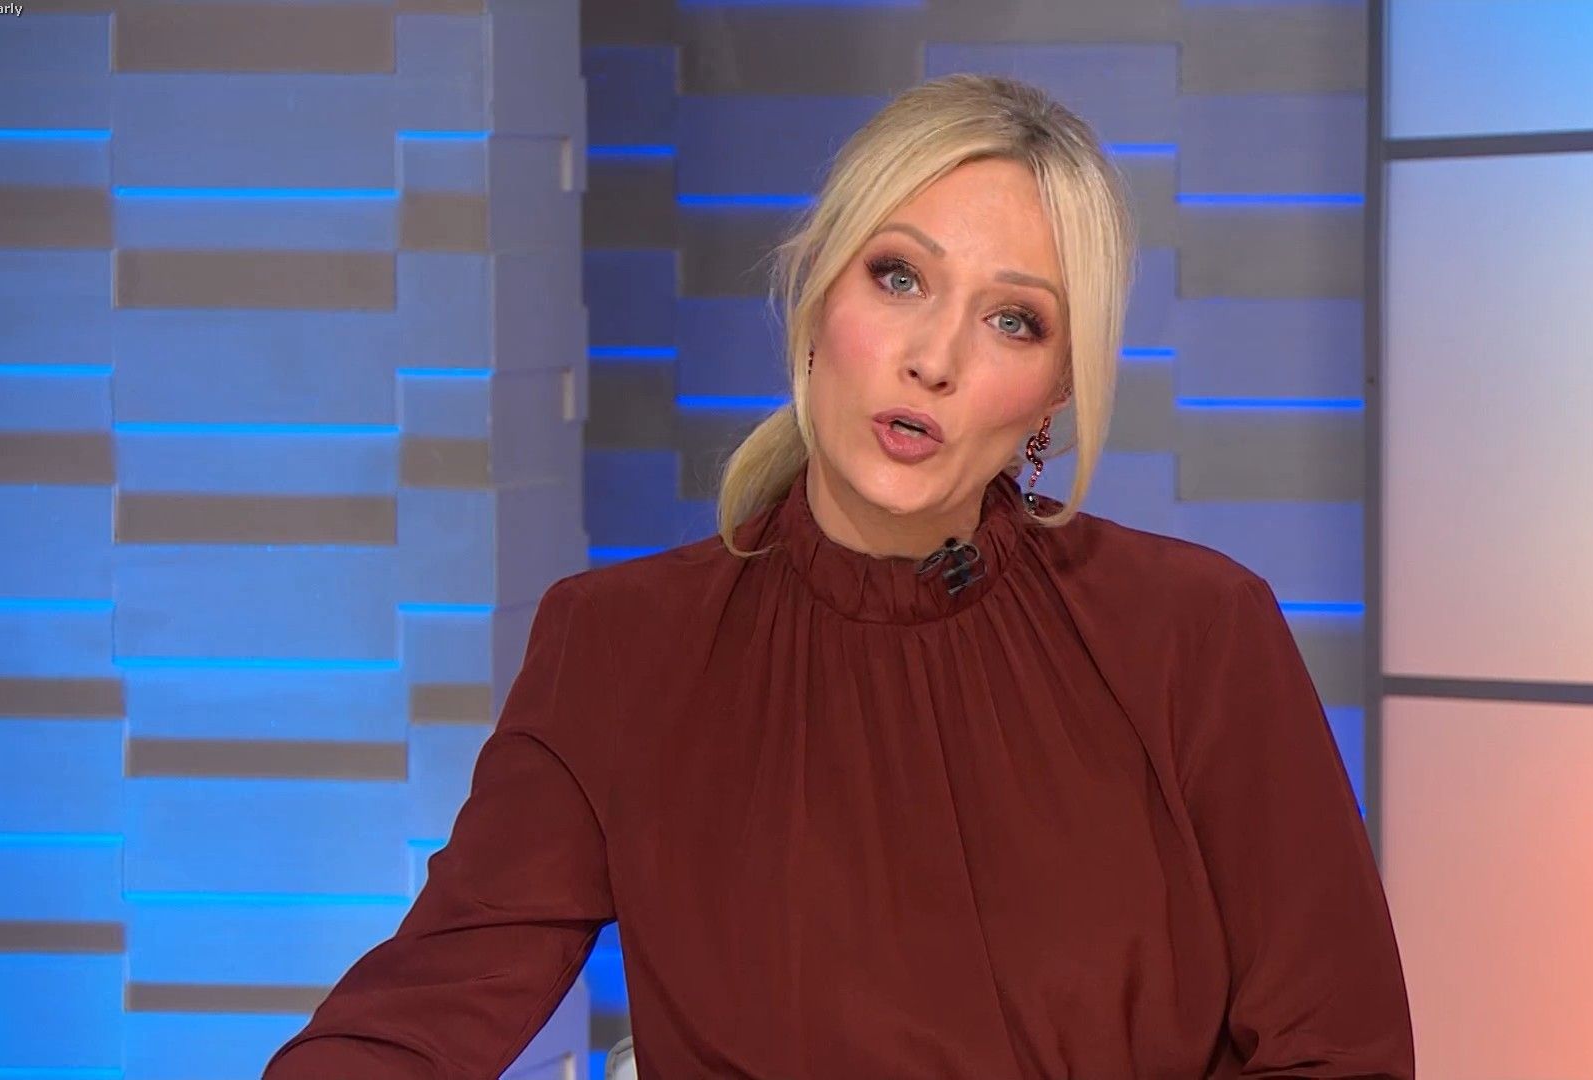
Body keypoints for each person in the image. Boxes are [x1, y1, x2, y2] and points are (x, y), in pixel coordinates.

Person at [265, 73, 1414, 1079]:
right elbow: (414, 1021)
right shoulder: (619, 645)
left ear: (1055, 394)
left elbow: (1340, 1053)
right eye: (900, 277)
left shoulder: (1196, 634)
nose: (935, 358)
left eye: (1013, 320)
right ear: (819, 291)